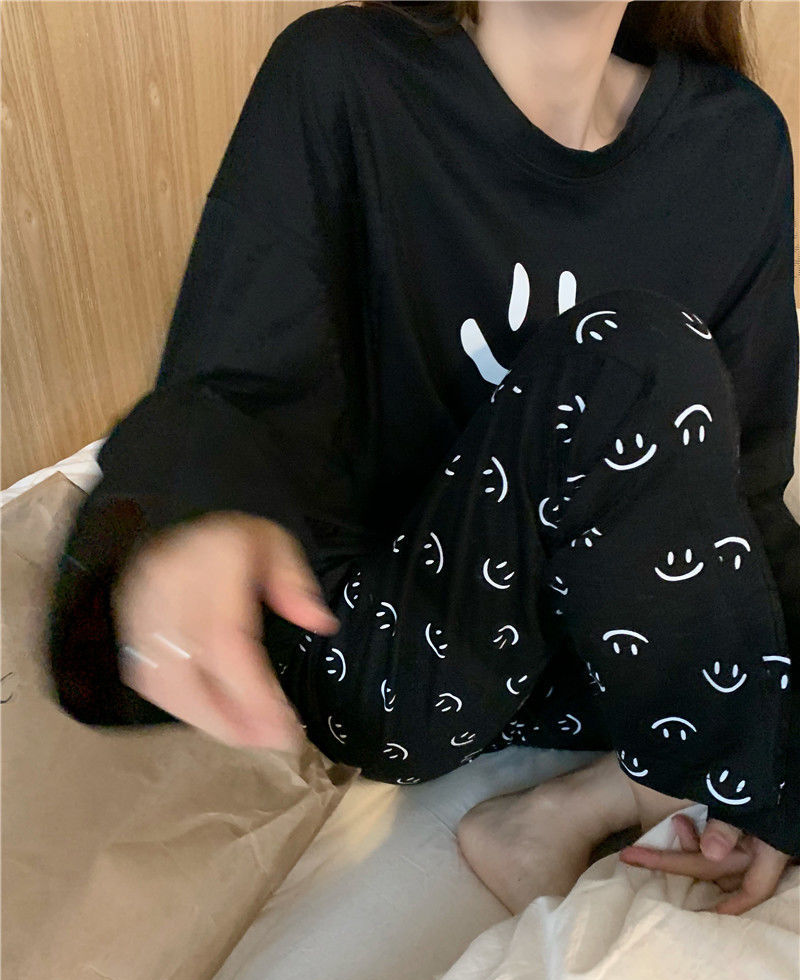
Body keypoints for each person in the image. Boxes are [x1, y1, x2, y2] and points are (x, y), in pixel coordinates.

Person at [45, 0, 800, 917]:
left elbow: (738, 493)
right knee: (638, 358)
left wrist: (777, 748)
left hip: (599, 663)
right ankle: (654, 773)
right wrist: (187, 522)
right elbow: (234, 389)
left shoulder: (735, 143)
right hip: (400, 653)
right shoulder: (343, 76)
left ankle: (595, 796)